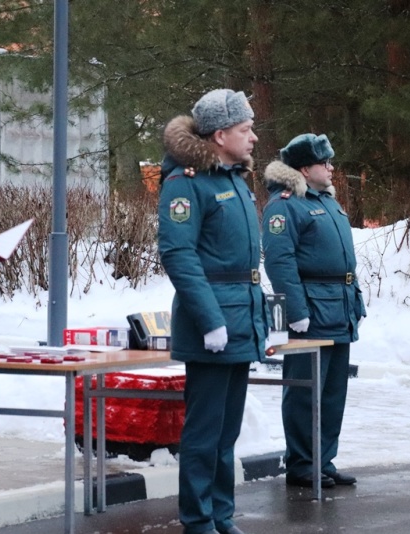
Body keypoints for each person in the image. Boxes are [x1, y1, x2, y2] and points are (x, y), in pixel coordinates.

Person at [157, 88, 270, 534]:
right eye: (245, 130)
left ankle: (221, 514)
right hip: (214, 325)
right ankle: (198, 519)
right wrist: (211, 320)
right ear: (220, 135)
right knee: (204, 434)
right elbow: (179, 255)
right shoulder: (185, 183)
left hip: (241, 319)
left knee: (226, 432)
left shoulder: (233, 180)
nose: (253, 138)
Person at [261, 133, 366, 489]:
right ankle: (303, 463)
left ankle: (324, 460)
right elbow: (279, 260)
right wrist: (295, 309)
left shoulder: (327, 202)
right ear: (305, 168)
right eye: (325, 162)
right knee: (305, 391)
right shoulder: (285, 205)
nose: (332, 167)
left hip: (339, 307)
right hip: (312, 310)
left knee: (333, 391)